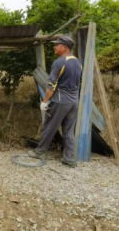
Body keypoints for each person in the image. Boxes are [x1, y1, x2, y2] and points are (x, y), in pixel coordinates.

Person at [27, 36, 82, 168]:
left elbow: (51, 85)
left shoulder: (59, 62)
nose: (54, 46)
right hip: (73, 102)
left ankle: (40, 152)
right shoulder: (78, 63)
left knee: (49, 126)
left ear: (65, 47)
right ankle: (69, 159)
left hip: (60, 101)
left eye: (57, 44)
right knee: (68, 130)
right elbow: (78, 83)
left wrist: (45, 102)